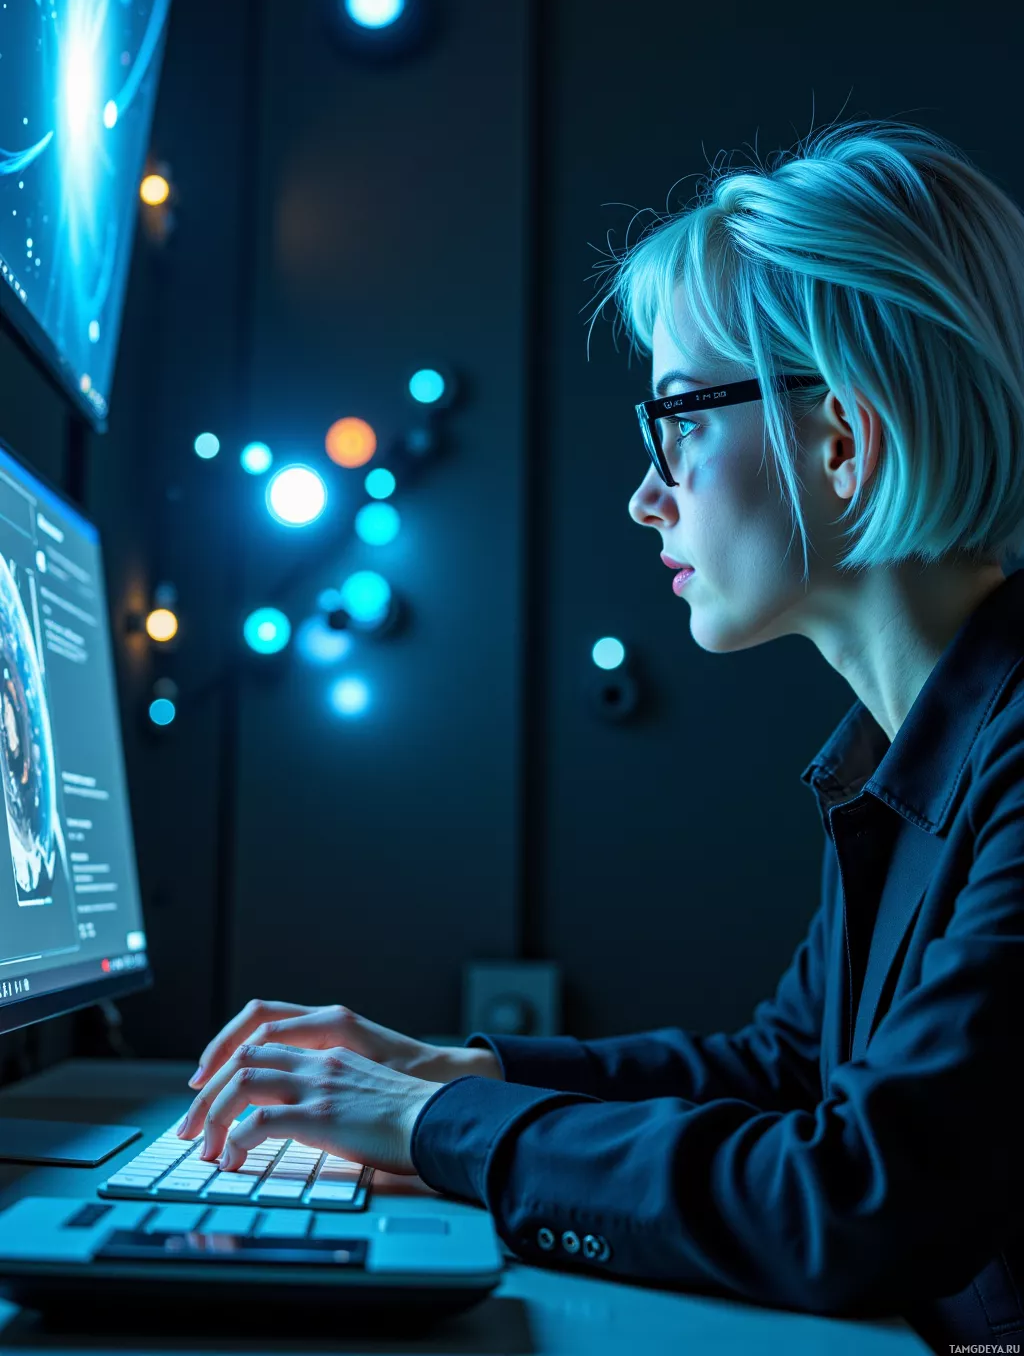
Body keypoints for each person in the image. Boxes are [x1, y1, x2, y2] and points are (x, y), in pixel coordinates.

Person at [176, 119, 1024, 1353]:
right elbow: (788, 1070)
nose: (645, 494)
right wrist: (453, 1072)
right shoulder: (916, 745)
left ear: (842, 439)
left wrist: (426, 1126)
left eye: (681, 418)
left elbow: (864, 1194)